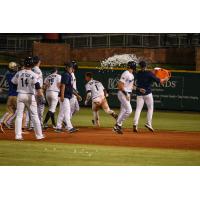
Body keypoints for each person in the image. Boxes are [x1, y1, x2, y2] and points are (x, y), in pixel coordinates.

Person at [11, 57, 45, 140]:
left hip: (20, 95)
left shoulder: (19, 73)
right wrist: (41, 96)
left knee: (19, 115)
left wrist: (18, 88)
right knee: (34, 115)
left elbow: (13, 83)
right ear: (32, 64)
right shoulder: (33, 74)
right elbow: (37, 86)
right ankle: (39, 135)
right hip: (30, 95)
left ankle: (18, 135)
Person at [133, 61, 168, 133]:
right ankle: (148, 124)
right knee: (150, 108)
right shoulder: (149, 73)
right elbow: (160, 81)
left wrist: (153, 72)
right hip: (148, 94)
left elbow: (146, 73)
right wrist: (166, 79)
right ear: (146, 66)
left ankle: (135, 124)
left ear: (140, 66)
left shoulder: (138, 73)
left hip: (139, 93)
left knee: (138, 109)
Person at [113, 61, 145, 134]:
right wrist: (126, 94)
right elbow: (120, 86)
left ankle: (117, 127)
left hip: (127, 93)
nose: (135, 68)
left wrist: (139, 89)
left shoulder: (131, 75)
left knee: (123, 111)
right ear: (133, 67)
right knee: (129, 110)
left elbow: (131, 86)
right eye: (135, 66)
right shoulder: (126, 73)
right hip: (123, 93)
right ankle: (117, 125)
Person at [55, 63, 79, 133]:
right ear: (67, 68)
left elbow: (70, 88)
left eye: (72, 68)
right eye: (71, 67)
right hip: (64, 96)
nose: (72, 69)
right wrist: (62, 95)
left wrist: (76, 95)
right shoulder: (66, 74)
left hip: (66, 96)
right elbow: (63, 85)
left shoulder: (69, 75)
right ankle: (69, 127)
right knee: (67, 111)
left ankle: (58, 127)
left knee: (62, 112)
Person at [27, 56, 44, 130]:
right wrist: (41, 92)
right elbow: (36, 82)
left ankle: (31, 125)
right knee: (40, 108)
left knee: (32, 109)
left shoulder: (31, 69)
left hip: (31, 91)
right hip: (37, 91)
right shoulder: (37, 70)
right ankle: (39, 124)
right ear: (38, 62)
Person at [0, 62, 18, 133]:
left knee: (11, 112)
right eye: (15, 67)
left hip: (10, 96)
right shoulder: (16, 75)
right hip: (15, 95)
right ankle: (19, 128)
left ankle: (4, 121)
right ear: (13, 68)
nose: (16, 68)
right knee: (20, 112)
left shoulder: (7, 75)